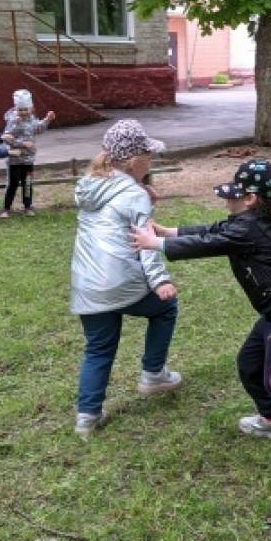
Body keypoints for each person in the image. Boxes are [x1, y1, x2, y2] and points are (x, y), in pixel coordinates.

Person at [131, 158, 271, 482]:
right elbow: (212, 231)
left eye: (232, 194)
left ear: (250, 199)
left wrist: (159, 244)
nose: (226, 199)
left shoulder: (248, 228)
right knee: (249, 364)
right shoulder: (246, 223)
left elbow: (210, 243)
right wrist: (169, 232)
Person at [71, 119, 181, 437]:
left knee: (98, 348)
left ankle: (87, 419)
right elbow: (144, 242)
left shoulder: (89, 184)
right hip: (121, 282)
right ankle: (153, 373)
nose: (151, 161)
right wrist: (160, 281)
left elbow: (112, 209)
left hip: (88, 284)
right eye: (148, 156)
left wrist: (140, 190)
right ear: (135, 162)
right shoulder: (134, 194)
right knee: (165, 308)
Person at [0, 89, 55, 217]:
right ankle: (6, 208)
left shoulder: (32, 119)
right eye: (20, 109)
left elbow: (39, 128)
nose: (23, 112)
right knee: (12, 183)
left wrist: (47, 120)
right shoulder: (12, 121)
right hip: (15, 159)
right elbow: (7, 138)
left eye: (26, 109)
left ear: (31, 109)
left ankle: (28, 206)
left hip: (28, 159)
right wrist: (23, 144)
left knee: (28, 182)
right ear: (15, 109)